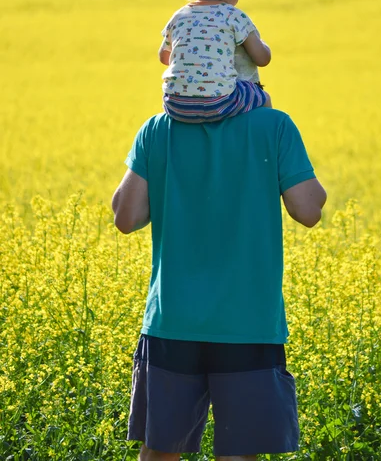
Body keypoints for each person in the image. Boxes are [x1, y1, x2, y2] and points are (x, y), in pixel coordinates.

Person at [112, 107, 327, 461]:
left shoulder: (158, 128)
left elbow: (126, 216)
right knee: (239, 454)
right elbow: (308, 210)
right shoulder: (274, 126)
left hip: (173, 322)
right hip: (248, 324)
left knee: (160, 449)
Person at [159, 0, 272, 123]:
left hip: (175, 105)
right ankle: (264, 147)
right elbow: (262, 59)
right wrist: (263, 45)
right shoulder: (233, 15)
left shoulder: (179, 16)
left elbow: (164, 57)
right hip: (219, 103)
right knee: (262, 96)